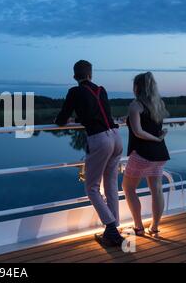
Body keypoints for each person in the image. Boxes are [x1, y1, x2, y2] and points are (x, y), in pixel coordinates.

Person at [55, 60, 124, 247]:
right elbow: (96, 113)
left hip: (100, 139)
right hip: (116, 136)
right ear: (91, 75)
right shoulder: (101, 90)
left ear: (75, 76)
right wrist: (80, 117)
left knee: (92, 188)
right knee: (110, 184)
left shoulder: (75, 92)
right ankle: (114, 229)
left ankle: (110, 227)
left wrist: (66, 120)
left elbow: (61, 119)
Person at [123, 72, 170, 237]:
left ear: (137, 87)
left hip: (143, 153)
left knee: (128, 188)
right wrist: (127, 118)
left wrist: (156, 139)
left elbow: (139, 132)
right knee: (156, 188)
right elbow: (149, 122)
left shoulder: (135, 105)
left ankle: (139, 227)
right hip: (160, 154)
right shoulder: (158, 104)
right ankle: (155, 228)